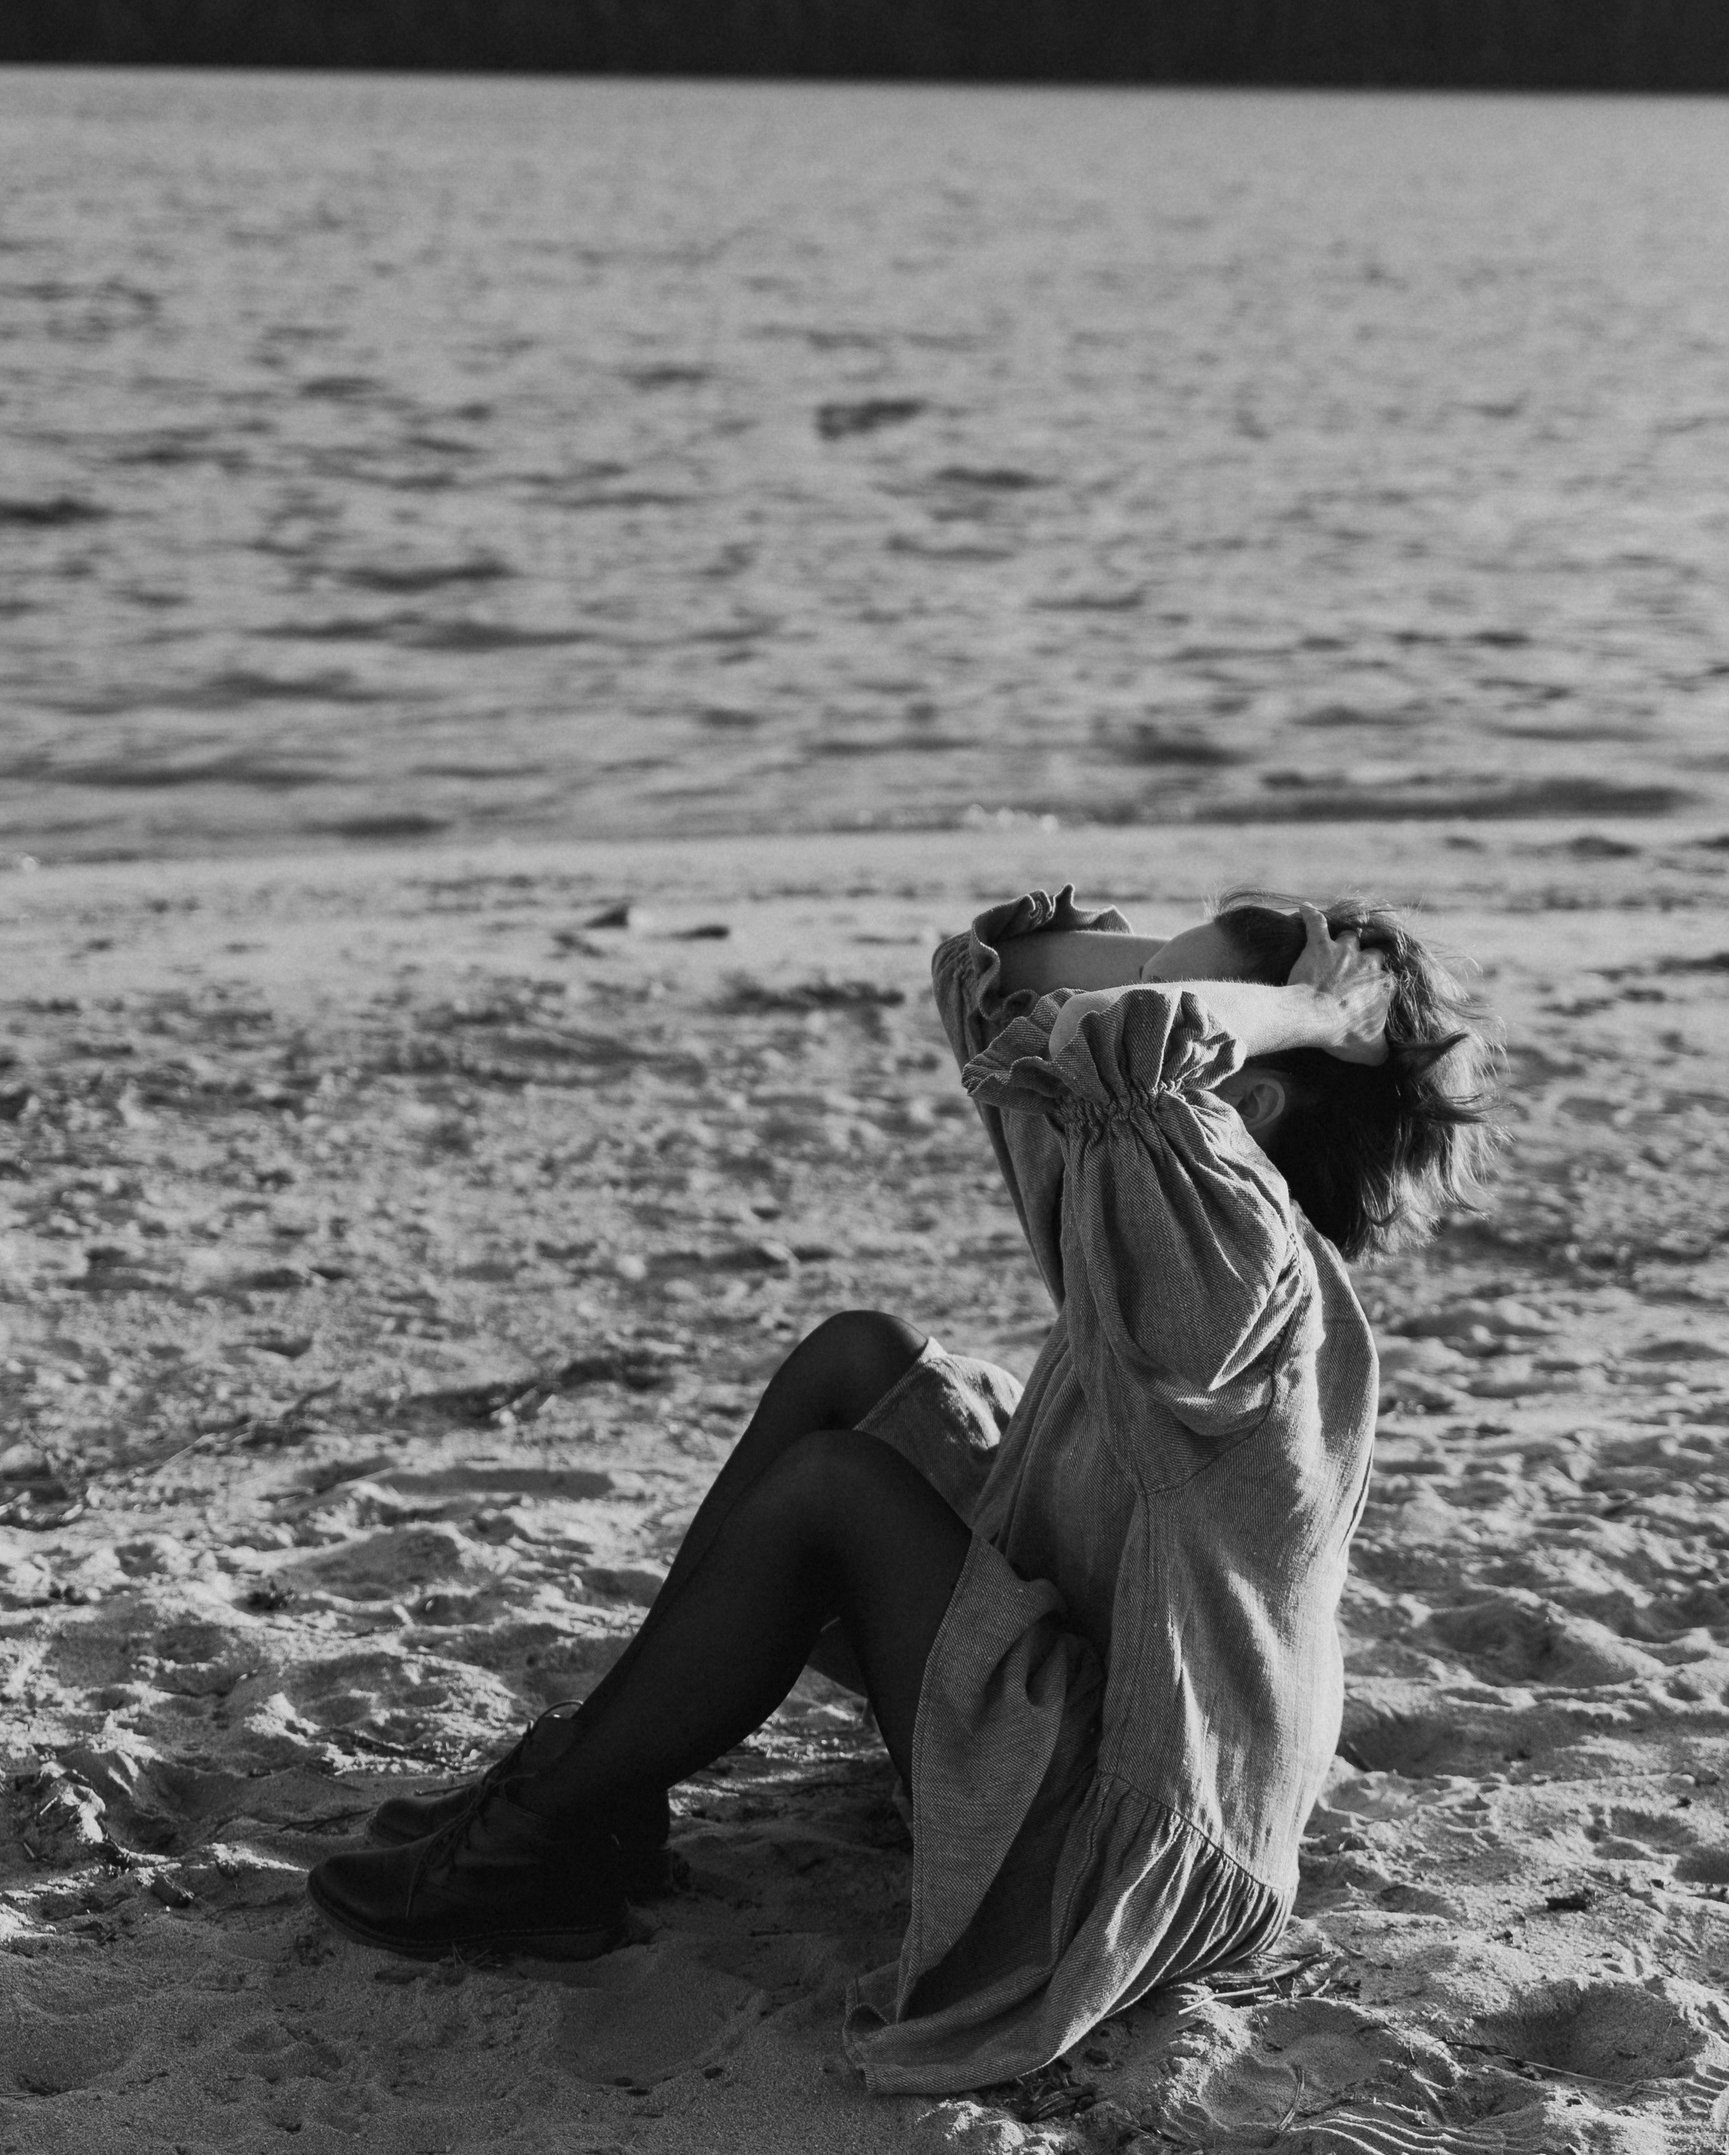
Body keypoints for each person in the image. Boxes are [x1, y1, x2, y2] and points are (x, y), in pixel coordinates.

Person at [308, 882, 1500, 2094]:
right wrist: (1290, 991)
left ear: (1250, 1094)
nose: (1117, 1000)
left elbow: (1121, 1039)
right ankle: (590, 1793)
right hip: (1089, 1682)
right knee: (860, 1361)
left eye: (1174, 989)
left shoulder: (1241, 1265)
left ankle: (541, 1836)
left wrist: (1313, 1012)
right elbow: (1010, 967)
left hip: (1121, 1835)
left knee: (835, 1493)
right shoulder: (1158, 1203)